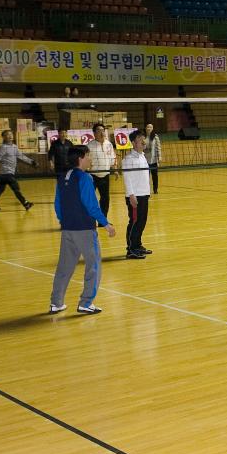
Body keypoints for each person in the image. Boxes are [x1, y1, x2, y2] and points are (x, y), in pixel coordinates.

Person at [50, 145, 116, 314]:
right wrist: (106, 223)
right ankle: (86, 303)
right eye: (88, 156)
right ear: (80, 158)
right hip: (85, 230)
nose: (90, 159)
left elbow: (57, 204)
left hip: (68, 229)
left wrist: (64, 221)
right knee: (93, 265)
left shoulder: (62, 176)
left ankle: (56, 302)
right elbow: (91, 205)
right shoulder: (85, 178)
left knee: (64, 266)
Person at [121, 130, 152, 259]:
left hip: (144, 194)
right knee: (135, 221)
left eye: (143, 138)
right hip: (135, 196)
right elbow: (127, 178)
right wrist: (131, 195)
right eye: (140, 139)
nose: (143, 141)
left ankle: (137, 245)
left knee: (142, 221)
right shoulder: (128, 159)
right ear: (133, 142)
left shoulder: (142, 156)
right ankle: (131, 249)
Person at [0, 130, 35, 211]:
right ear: (4, 137)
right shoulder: (3, 147)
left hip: (9, 172)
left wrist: (32, 162)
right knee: (16, 188)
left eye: (11, 134)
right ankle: (25, 203)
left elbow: (21, 156)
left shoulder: (14, 147)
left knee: (0, 189)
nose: (10, 136)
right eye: (7, 135)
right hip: (6, 172)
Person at [88, 123, 115, 216]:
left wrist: (114, 170)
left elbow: (112, 158)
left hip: (105, 175)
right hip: (93, 176)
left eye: (103, 130)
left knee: (105, 198)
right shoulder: (90, 145)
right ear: (94, 133)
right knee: (90, 198)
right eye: (99, 131)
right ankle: (89, 220)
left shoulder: (109, 144)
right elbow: (86, 160)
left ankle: (103, 220)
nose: (101, 132)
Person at [146, 123, 162, 193]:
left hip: (154, 160)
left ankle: (155, 189)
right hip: (145, 160)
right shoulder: (143, 137)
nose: (149, 128)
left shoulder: (155, 137)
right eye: (148, 127)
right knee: (146, 176)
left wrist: (159, 156)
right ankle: (146, 190)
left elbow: (158, 147)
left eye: (150, 127)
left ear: (152, 129)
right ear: (146, 128)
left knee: (155, 176)